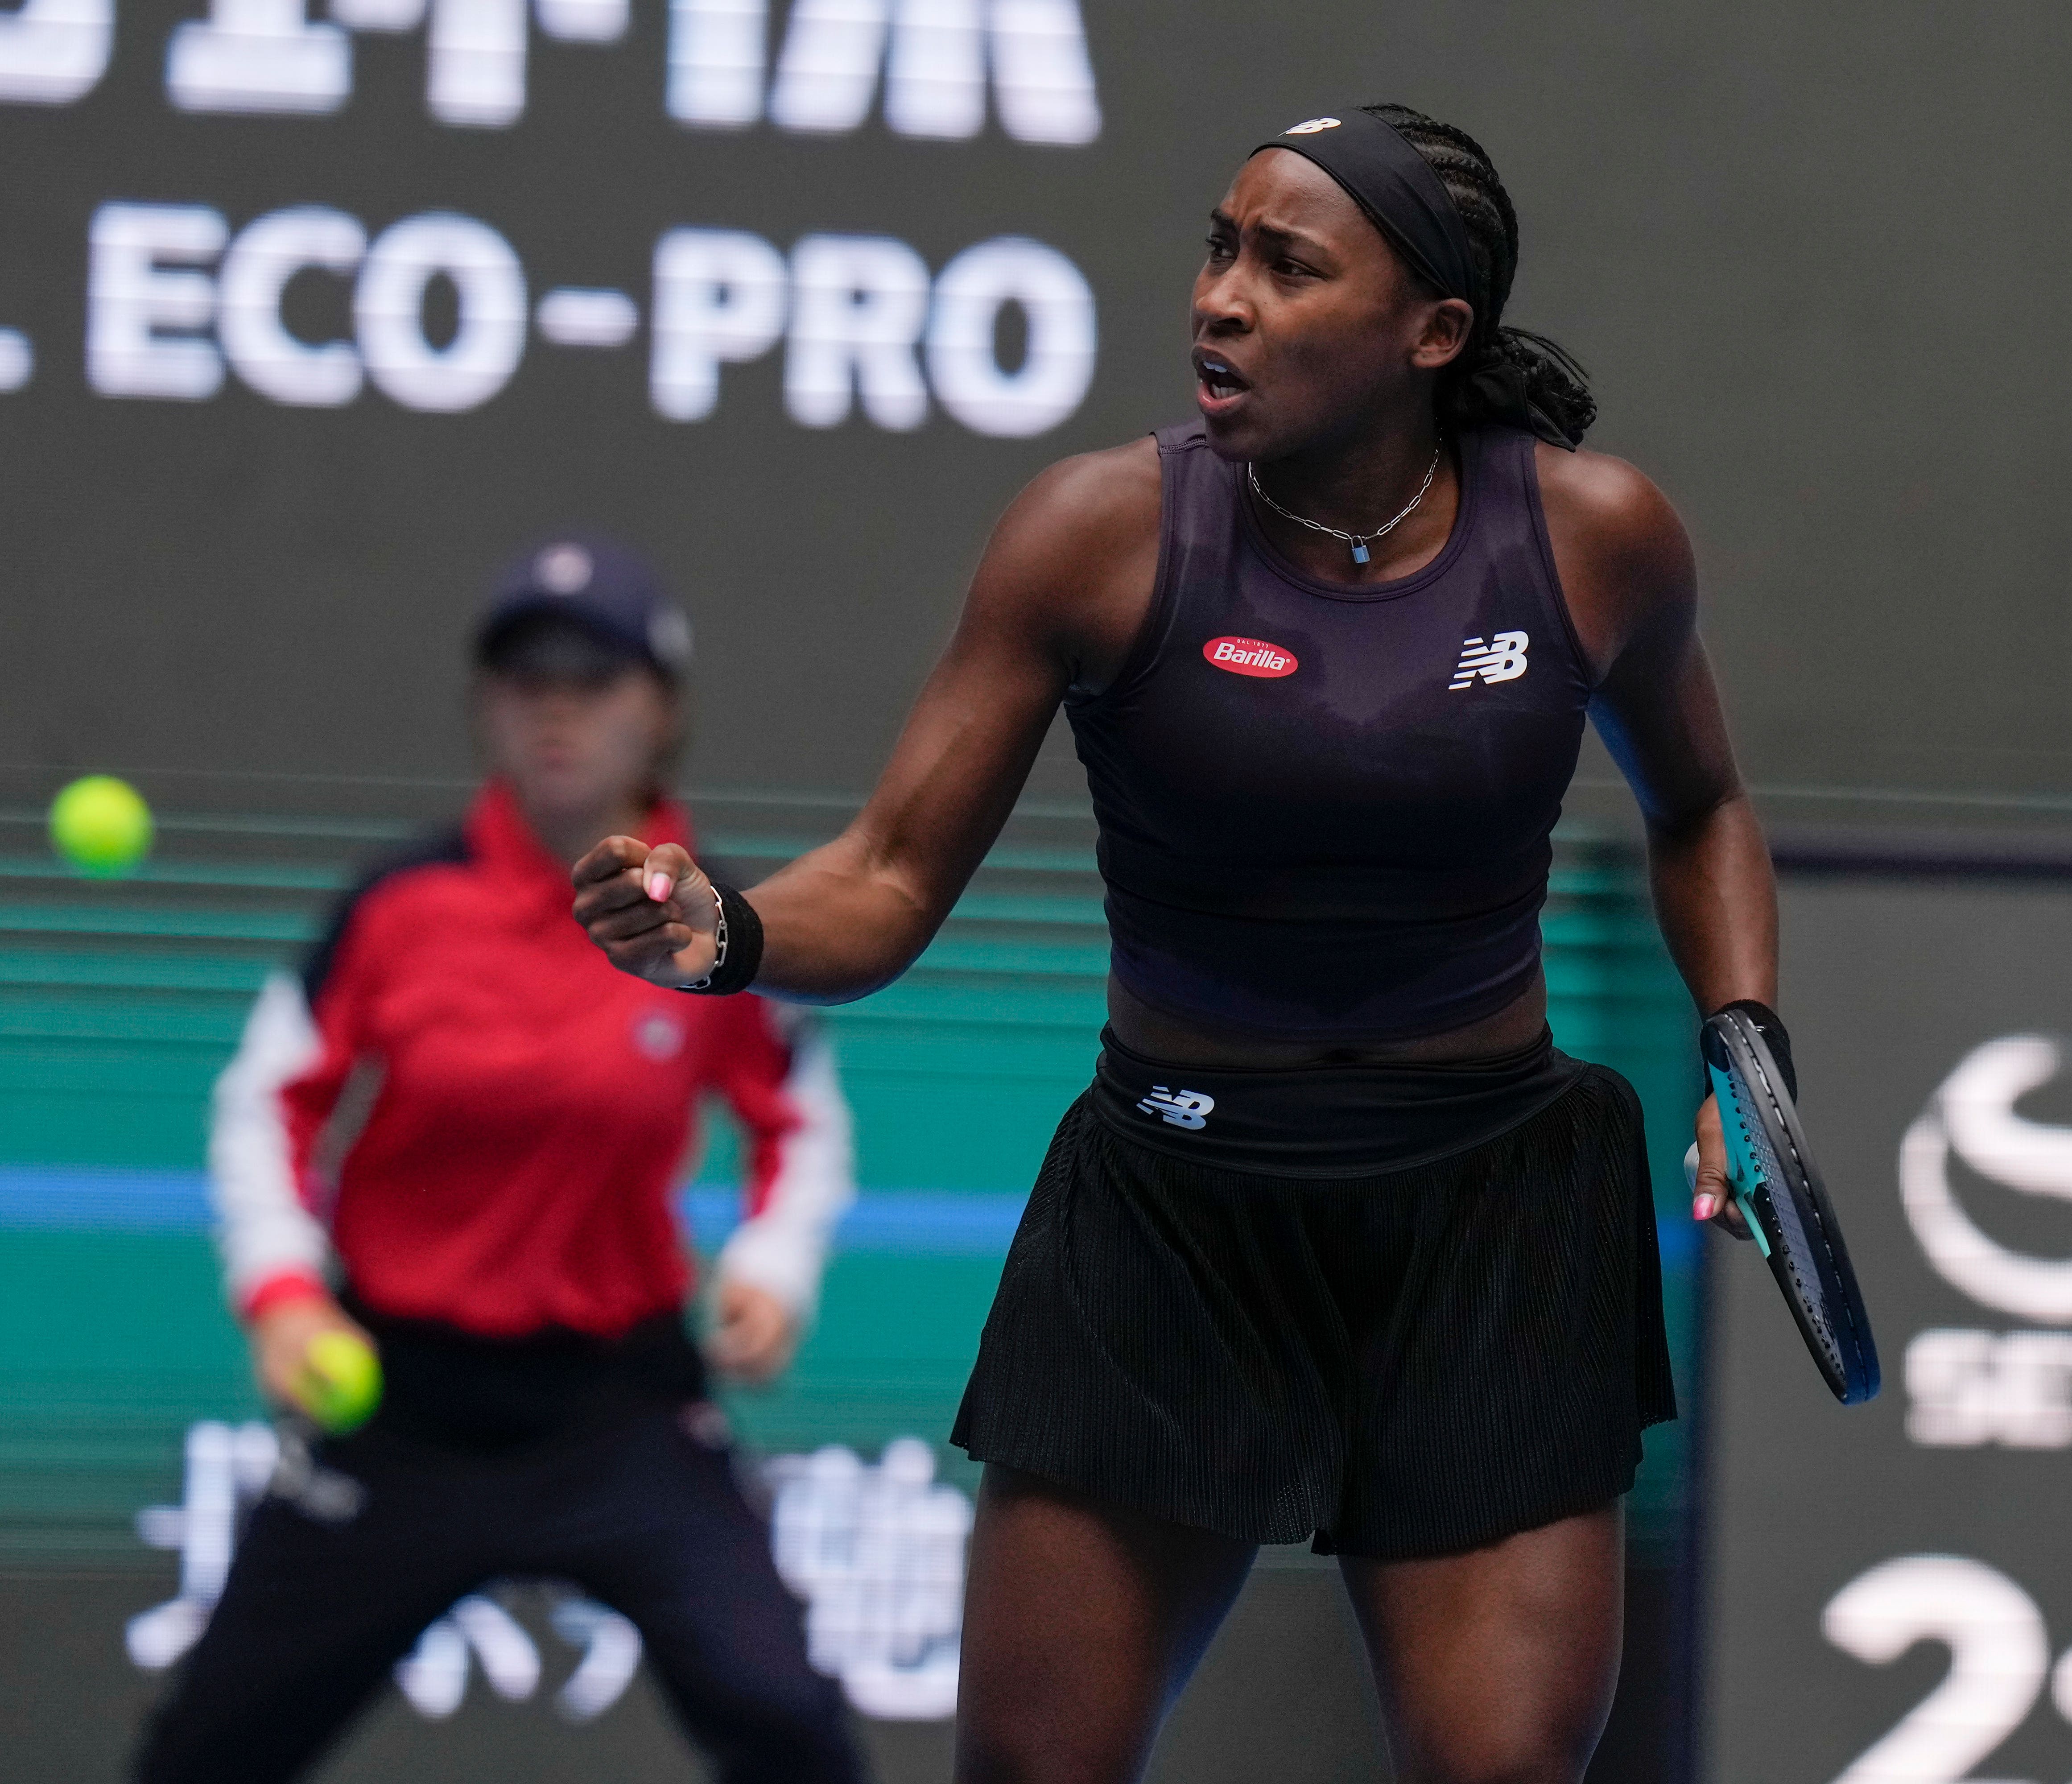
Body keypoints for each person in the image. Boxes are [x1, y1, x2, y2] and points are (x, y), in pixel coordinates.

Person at [576, 104, 1772, 1784]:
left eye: (1289, 267)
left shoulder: (1594, 536)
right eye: (1219, 249)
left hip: (1496, 1222)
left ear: (1434, 333)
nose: (1220, 298)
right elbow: (894, 878)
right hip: (1174, 1222)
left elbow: (1703, 805)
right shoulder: (1097, 534)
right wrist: (734, 932)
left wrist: (1743, 1047)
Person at [136, 539, 871, 1784]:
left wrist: (775, 1265)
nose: (558, 705)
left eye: (596, 676)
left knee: (792, 1726)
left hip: (619, 1411)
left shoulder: (712, 922)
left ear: (664, 710)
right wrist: (280, 1291)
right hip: (399, 1411)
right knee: (205, 1754)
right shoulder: (397, 906)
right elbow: (266, 1105)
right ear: (487, 703)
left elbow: (800, 1117)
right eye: (527, 676)